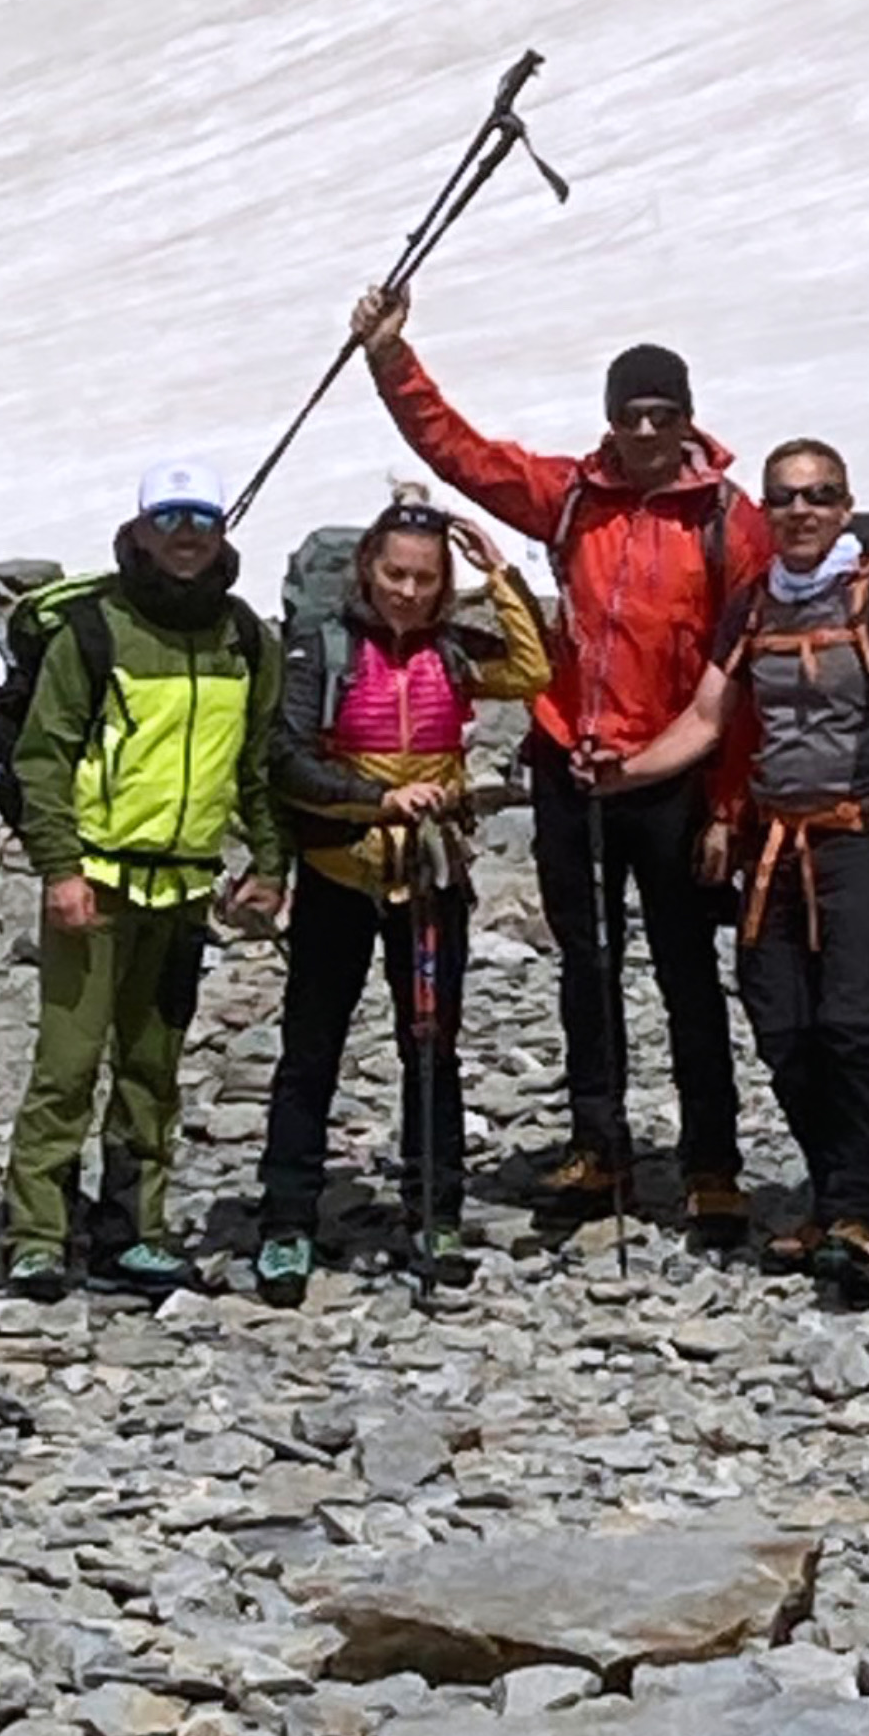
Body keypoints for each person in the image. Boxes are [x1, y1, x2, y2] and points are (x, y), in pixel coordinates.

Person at [348, 288, 770, 1239]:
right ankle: (598, 1145)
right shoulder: (570, 497)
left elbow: (738, 678)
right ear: (609, 418)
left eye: (663, 413)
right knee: (586, 964)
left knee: (685, 970)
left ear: (688, 418)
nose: (646, 430)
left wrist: (726, 807)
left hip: (671, 777)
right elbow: (458, 452)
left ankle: (711, 1162)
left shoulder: (730, 524)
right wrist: (390, 359)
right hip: (570, 771)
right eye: (631, 414)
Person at [591, 438, 869, 1303]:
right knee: (781, 1026)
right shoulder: (754, 604)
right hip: (773, 844)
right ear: (766, 511)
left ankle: (857, 1213)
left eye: (819, 495)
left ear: (844, 507)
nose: (802, 510)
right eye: (786, 497)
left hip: (860, 837)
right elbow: (706, 718)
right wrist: (620, 775)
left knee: (850, 1023)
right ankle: (837, 1193)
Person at [256, 493, 551, 1305]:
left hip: (430, 871)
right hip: (342, 870)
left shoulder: (452, 650)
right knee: (312, 1046)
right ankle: (286, 1220)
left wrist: (499, 576)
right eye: (395, 574)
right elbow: (286, 759)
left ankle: (434, 1212)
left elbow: (534, 671)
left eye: (425, 579)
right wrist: (377, 800)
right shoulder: (320, 650)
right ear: (367, 569)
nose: (409, 592)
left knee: (430, 1044)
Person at [5, 460, 284, 1302]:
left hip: (186, 889)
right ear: (139, 532)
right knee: (68, 1065)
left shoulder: (244, 637)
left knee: (152, 1069)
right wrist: (59, 869)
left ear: (222, 529)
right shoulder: (94, 632)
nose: (186, 534)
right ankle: (37, 1235)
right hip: (96, 884)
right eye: (169, 519)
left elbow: (257, 765)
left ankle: (132, 1232)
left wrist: (269, 865)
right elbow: (43, 757)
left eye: (200, 517)